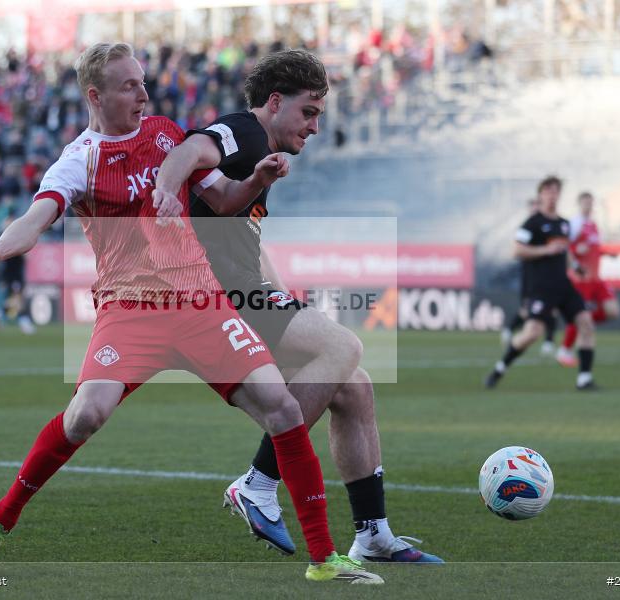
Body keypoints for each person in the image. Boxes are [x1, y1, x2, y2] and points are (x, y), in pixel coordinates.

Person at [0, 43, 381, 585]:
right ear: (96, 96)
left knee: (283, 407)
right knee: (86, 415)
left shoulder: (163, 133)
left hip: (200, 303)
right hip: (131, 309)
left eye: (143, 82)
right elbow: (35, 219)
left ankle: (324, 559)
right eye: (129, 85)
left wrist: (258, 180)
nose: (144, 93)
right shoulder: (78, 160)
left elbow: (225, 199)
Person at [155, 49, 442, 563]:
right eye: (308, 112)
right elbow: (189, 148)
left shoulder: (258, 155)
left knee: (353, 387)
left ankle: (373, 535)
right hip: (217, 297)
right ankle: (258, 484)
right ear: (274, 102)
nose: (314, 126)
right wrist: (164, 189)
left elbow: (247, 238)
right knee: (344, 347)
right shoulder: (243, 131)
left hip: (239, 290)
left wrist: (284, 296)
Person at [485, 176, 598, 391]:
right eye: (548, 191)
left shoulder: (564, 224)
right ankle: (500, 367)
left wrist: (575, 266)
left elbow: (564, 251)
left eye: (556, 191)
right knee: (532, 333)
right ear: (541, 195)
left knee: (586, 323)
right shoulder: (532, 223)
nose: (552, 195)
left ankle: (584, 379)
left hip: (563, 285)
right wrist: (545, 249)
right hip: (542, 287)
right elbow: (516, 250)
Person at [556, 191, 620, 367]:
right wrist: (576, 252)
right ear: (579, 204)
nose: (589, 205)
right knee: (580, 314)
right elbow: (565, 248)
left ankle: (584, 324)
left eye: (591, 202)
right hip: (580, 278)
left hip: (595, 277)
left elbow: (593, 248)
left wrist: (607, 253)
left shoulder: (593, 224)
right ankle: (564, 349)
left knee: (612, 311)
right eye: (585, 202)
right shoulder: (574, 224)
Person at [501, 197, 557, 354]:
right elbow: (517, 250)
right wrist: (543, 251)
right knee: (526, 310)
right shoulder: (527, 227)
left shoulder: (549, 225)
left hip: (549, 276)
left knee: (551, 309)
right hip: (532, 277)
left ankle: (548, 341)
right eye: (533, 206)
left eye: (538, 205)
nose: (535, 209)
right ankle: (510, 330)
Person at [0, 211, 36, 335]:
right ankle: (22, 322)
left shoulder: (6, 238)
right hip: (13, 274)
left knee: (15, 299)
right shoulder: (11, 239)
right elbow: (24, 256)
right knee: (17, 298)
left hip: (12, 273)